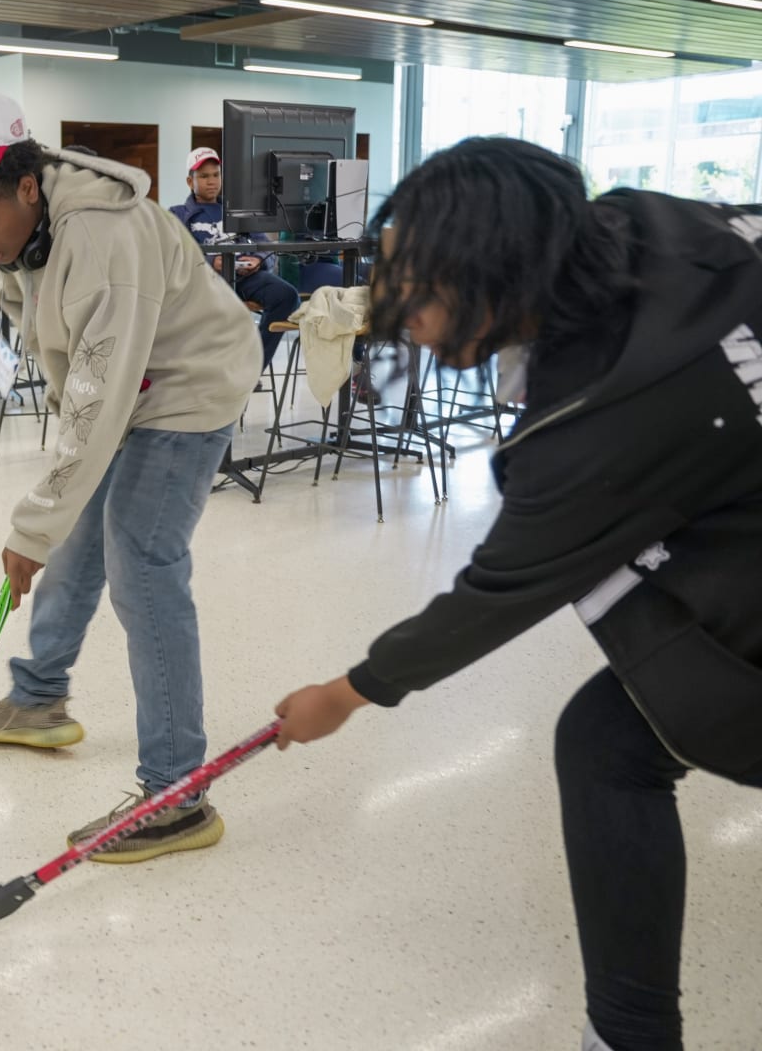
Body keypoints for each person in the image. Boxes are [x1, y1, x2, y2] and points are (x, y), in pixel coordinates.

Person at [273, 137, 762, 1051]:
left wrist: (344, 693)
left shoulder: (600, 417)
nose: (401, 314)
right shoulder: (636, 224)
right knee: (607, 741)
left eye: (420, 288)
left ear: (501, 270)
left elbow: (499, 591)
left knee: (610, 746)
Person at [0, 84, 260, 863]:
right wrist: (50, 520)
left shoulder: (102, 237)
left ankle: (177, 796)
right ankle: (39, 698)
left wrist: (31, 523)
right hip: (129, 385)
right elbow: (74, 371)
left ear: (27, 188)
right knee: (73, 539)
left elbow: (102, 395)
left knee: (142, 559)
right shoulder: (26, 235)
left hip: (188, 384)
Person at [169, 147, 302, 382]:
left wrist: (259, 260)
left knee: (287, 296)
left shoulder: (238, 211)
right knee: (218, 315)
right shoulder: (177, 214)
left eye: (216, 174)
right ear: (190, 181)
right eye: (204, 176)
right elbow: (176, 254)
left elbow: (265, 245)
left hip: (246, 277)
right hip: (207, 283)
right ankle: (215, 374)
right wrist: (212, 261)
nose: (212, 181)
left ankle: (250, 370)